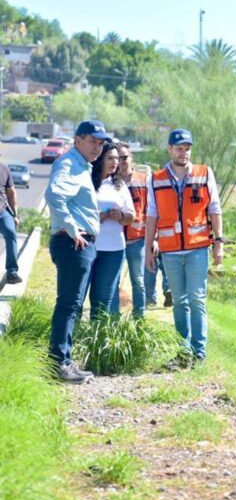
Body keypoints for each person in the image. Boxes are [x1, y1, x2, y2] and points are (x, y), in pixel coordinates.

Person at [145, 129, 224, 362]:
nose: (184, 153)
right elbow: (152, 214)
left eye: (187, 148)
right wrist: (149, 248)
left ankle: (199, 352)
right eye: (179, 148)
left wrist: (218, 243)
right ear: (170, 149)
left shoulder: (204, 173)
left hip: (197, 249)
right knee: (179, 301)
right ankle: (183, 351)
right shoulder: (157, 178)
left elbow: (215, 209)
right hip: (170, 251)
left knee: (197, 299)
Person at [46, 119, 110, 383]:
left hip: (79, 243)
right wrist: (73, 229)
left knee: (72, 305)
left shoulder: (81, 165)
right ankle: (58, 364)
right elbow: (54, 195)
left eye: (100, 143)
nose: (97, 147)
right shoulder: (70, 164)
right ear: (77, 140)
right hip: (73, 243)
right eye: (92, 141)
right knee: (69, 305)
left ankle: (64, 361)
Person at [89, 142, 135, 317]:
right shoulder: (87, 181)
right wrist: (95, 218)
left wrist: (121, 216)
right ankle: (74, 338)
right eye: (110, 158)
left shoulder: (119, 185)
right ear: (100, 158)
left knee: (103, 300)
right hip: (88, 247)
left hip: (114, 251)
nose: (115, 162)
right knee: (78, 298)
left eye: (117, 158)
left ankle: (96, 337)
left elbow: (132, 215)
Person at [111, 143, 147, 318]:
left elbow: (151, 210)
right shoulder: (111, 181)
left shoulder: (143, 180)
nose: (122, 162)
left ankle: (139, 317)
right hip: (115, 238)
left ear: (131, 157)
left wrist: (153, 238)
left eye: (124, 157)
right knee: (113, 280)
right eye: (118, 158)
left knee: (138, 280)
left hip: (137, 239)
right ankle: (113, 317)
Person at [0, 154, 21, 284]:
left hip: (2, 212)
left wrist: (15, 214)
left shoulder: (4, 169)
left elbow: (11, 192)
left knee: (11, 233)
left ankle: (12, 272)